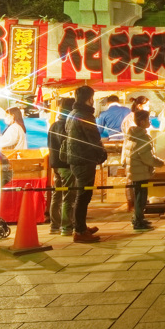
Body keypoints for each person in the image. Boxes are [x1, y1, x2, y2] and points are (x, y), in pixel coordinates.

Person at [65, 85, 107, 243]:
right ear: (89, 98)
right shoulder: (84, 115)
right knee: (83, 195)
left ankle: (81, 226)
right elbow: (93, 137)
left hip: (76, 158)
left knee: (83, 195)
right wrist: (101, 154)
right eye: (92, 97)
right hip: (84, 158)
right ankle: (80, 231)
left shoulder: (72, 113)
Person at [126, 109, 164, 231]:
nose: (149, 121)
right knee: (140, 197)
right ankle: (138, 221)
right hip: (140, 171)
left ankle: (139, 218)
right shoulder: (142, 137)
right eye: (148, 119)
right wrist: (159, 163)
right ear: (142, 122)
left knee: (139, 195)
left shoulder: (132, 135)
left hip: (134, 170)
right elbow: (147, 158)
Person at [46, 97, 76, 236]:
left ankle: (54, 225)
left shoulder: (53, 125)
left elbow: (50, 145)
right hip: (65, 165)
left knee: (56, 195)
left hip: (55, 165)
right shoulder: (68, 126)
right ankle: (66, 225)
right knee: (68, 196)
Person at [120, 96, 150, 210]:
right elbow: (133, 136)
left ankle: (138, 207)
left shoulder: (138, 117)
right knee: (131, 179)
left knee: (136, 182)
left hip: (136, 153)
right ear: (139, 106)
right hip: (132, 153)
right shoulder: (130, 119)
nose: (148, 107)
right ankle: (132, 205)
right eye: (147, 105)